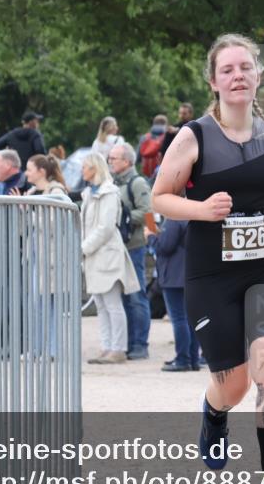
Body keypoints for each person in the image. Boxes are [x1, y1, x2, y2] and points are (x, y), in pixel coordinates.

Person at [151, 33, 264, 484]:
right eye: (227, 69)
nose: (237, 75)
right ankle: (214, 412)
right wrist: (202, 209)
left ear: (258, 75)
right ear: (214, 81)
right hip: (210, 275)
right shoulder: (194, 136)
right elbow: (160, 197)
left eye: (245, 67)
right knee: (236, 384)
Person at [80, 152, 140, 365]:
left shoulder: (109, 192)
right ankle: (107, 346)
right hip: (94, 254)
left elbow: (105, 228)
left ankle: (119, 348)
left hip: (107, 254)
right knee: (101, 305)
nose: (82, 171)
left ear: (94, 169)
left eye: (85, 167)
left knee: (113, 304)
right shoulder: (89, 193)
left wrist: (83, 248)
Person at [108, 141, 153, 360]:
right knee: (124, 297)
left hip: (133, 247)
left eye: (113, 158)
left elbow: (149, 213)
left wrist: (122, 216)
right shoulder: (114, 183)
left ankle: (139, 344)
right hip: (119, 249)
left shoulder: (137, 183)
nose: (110, 162)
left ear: (127, 161)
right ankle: (127, 342)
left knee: (136, 296)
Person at [155, 217, 201, 372]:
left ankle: (182, 359)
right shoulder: (193, 216)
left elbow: (164, 247)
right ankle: (193, 359)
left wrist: (150, 236)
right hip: (191, 274)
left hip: (174, 276)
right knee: (190, 320)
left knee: (179, 319)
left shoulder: (174, 219)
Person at [138, 115, 167, 180]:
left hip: (146, 173)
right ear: (165, 124)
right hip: (161, 173)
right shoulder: (166, 137)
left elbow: (139, 156)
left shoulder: (145, 137)